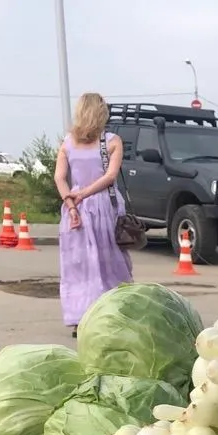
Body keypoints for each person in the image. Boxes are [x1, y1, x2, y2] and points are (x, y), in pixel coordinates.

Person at [55, 92, 133, 337]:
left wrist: (71, 201)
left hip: (75, 207)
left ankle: (79, 318)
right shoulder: (111, 141)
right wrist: (85, 195)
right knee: (109, 260)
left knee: (78, 264)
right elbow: (110, 177)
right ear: (102, 112)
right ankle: (111, 314)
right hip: (102, 205)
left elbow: (59, 177)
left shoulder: (67, 142)